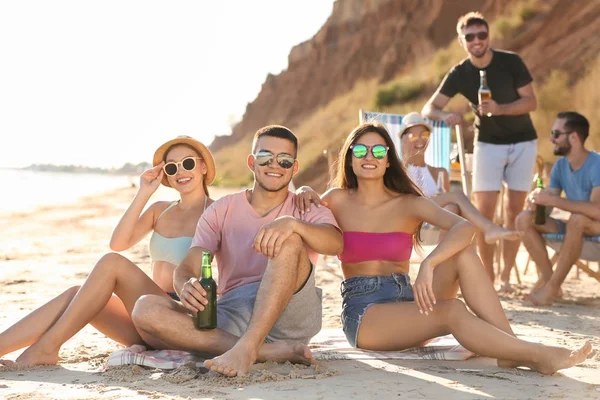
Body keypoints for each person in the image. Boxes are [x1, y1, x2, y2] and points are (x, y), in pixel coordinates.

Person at [295, 121, 591, 375]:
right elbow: (307, 206)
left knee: (462, 252)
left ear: (388, 160)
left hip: (408, 300)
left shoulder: (408, 202)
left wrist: (429, 264)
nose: (368, 156)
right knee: (452, 310)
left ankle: (511, 345)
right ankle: (537, 353)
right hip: (366, 315)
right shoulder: (336, 199)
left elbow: (466, 227)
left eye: (378, 151)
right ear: (350, 159)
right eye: (359, 150)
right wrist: (305, 190)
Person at [131, 125, 343, 377]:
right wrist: (184, 283)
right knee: (145, 309)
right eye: (266, 157)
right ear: (252, 162)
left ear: (294, 168)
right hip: (234, 315)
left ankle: (248, 347)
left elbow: (335, 243)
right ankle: (263, 350)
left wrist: (293, 224)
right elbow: (192, 260)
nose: (275, 165)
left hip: (291, 314)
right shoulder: (221, 210)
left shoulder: (304, 206)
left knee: (291, 240)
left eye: (284, 160)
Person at [0, 136, 216, 366]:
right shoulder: (160, 210)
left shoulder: (217, 212)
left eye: (188, 163)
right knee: (76, 293)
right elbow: (118, 242)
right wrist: (143, 192)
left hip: (185, 318)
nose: (181, 171)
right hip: (146, 316)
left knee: (112, 264)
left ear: (203, 166)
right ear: (166, 174)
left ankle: (46, 348)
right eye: (172, 167)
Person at [422, 11, 538, 286]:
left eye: (481, 35)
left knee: (514, 211)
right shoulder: (460, 73)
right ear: (462, 41)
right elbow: (430, 107)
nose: (477, 41)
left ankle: (507, 275)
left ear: (488, 36)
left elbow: (531, 102)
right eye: (470, 37)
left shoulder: (511, 62)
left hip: (523, 140)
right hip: (487, 142)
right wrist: (445, 115)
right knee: (484, 213)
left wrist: (500, 109)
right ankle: (488, 277)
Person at [517, 112, 600, 305]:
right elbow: (547, 208)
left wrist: (553, 201)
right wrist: (537, 202)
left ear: (573, 137)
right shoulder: (561, 166)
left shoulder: (597, 164)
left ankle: (551, 290)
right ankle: (550, 283)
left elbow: (597, 211)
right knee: (524, 219)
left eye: (556, 133)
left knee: (577, 219)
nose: (551, 139)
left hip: (594, 228)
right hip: (576, 231)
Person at [399, 112, 519, 244]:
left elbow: (446, 206)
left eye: (425, 134)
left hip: (433, 221)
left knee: (452, 208)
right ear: (403, 139)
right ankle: (488, 228)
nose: (420, 139)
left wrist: (442, 198)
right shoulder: (399, 171)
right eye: (413, 135)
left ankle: (442, 258)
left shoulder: (440, 172)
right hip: (410, 216)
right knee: (456, 196)